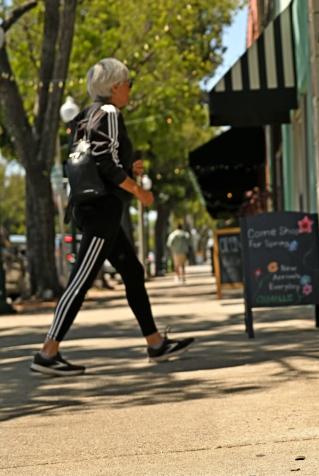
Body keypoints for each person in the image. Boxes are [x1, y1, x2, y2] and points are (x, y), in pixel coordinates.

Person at [31, 58, 194, 377]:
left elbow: (94, 160)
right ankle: (47, 353)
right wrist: (138, 190)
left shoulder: (83, 117)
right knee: (80, 280)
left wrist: (128, 169)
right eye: (129, 84)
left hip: (90, 206)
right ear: (115, 87)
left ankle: (155, 342)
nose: (130, 90)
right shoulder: (110, 113)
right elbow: (105, 161)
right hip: (101, 210)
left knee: (132, 271)